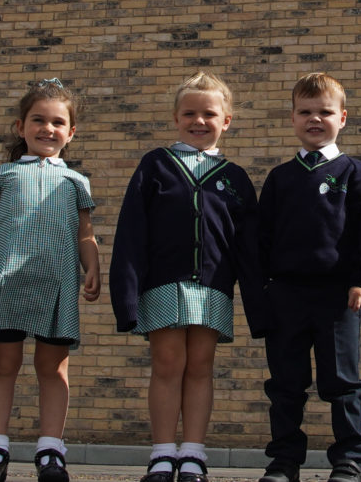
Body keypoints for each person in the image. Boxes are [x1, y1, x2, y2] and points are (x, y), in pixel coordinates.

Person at [110, 72, 269, 482]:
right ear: (176, 118)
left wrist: (258, 307)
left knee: (200, 366)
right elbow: (131, 232)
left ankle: (194, 454)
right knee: (167, 364)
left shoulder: (234, 178)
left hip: (212, 287)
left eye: (209, 114)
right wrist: (125, 296)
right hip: (163, 284)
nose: (199, 121)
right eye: (189, 113)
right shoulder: (155, 165)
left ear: (227, 120)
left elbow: (248, 249)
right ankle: (162, 454)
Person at [0, 79, 101, 482]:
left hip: (56, 284)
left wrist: (93, 267)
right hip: (7, 281)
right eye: (38, 120)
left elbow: (84, 233)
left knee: (53, 368)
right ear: (21, 126)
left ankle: (51, 450)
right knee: (3, 365)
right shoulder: (1, 175)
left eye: (58, 122)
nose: (47, 129)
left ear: (71, 132)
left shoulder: (76, 181)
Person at [256, 73, 361, 482]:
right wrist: (264, 290)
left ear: (343, 117)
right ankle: (284, 461)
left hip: (339, 297)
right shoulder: (280, 178)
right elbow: (263, 239)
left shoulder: (356, 174)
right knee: (286, 384)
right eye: (305, 112)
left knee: (342, 382)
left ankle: (349, 459)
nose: (315, 119)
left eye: (325, 111)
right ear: (292, 118)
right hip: (286, 295)